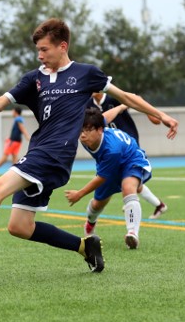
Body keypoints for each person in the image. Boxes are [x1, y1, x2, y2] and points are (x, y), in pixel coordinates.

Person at [0, 19, 178, 273]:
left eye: (44, 49)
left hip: (55, 154)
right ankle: (85, 246)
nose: (39, 55)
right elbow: (0, 102)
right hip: (39, 151)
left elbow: (126, 97)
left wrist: (163, 115)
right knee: (20, 227)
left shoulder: (86, 74)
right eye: (37, 49)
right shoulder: (33, 79)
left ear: (63, 46)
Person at [64, 106, 153, 250]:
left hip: (131, 159)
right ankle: (90, 223)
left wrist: (79, 194)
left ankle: (132, 233)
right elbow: (106, 116)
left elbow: (101, 178)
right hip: (108, 163)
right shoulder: (94, 129)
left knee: (128, 187)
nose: (83, 135)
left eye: (87, 130)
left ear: (100, 130)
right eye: (81, 130)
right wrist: (122, 106)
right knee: (98, 204)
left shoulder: (112, 150)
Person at [93, 92, 169, 219]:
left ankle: (150, 205)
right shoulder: (89, 105)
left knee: (127, 180)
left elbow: (136, 99)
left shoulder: (114, 98)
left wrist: (151, 113)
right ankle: (158, 205)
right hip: (111, 148)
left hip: (128, 144)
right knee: (130, 182)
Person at [0, 107, 27, 172]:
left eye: (13, 111)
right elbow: (16, 131)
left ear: (15, 112)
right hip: (18, 141)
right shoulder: (20, 119)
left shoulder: (18, 119)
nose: (12, 112)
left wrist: (27, 137)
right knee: (14, 155)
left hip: (13, 141)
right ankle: (15, 170)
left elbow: (22, 129)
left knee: (5, 154)